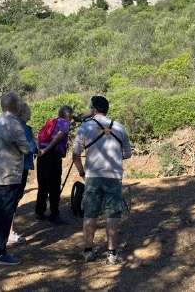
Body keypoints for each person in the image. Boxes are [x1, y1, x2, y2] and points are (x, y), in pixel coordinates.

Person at [71, 95, 132, 265]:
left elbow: (75, 155)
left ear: (94, 109)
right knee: (113, 214)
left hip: (92, 176)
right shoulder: (119, 127)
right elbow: (127, 154)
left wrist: (82, 172)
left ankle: (88, 251)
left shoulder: (85, 127)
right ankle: (111, 253)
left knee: (90, 213)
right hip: (113, 176)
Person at [0, 91, 31, 265]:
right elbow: (25, 148)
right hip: (9, 176)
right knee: (5, 213)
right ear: (16, 107)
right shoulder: (14, 125)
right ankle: (0, 253)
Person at [34, 105, 72, 224]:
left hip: (41, 155)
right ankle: (54, 215)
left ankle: (39, 212)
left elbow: (39, 136)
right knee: (54, 186)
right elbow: (57, 138)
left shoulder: (51, 121)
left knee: (43, 185)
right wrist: (47, 150)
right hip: (52, 156)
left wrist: (39, 149)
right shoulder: (65, 123)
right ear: (68, 115)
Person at [8, 101, 38, 245]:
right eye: (29, 110)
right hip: (21, 166)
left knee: (10, 199)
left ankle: (5, 231)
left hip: (12, 166)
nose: (31, 113)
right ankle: (9, 232)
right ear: (23, 113)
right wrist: (38, 148)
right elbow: (29, 147)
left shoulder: (11, 124)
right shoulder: (23, 127)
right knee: (14, 199)